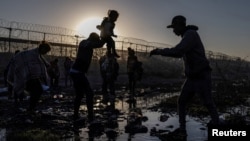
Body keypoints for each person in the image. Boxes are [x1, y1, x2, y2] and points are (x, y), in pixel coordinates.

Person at [150, 15, 220, 137]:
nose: (173, 31)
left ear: (180, 25)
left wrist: (159, 51)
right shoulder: (187, 35)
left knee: (208, 102)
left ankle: (218, 127)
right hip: (192, 77)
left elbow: (178, 51)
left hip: (201, 75)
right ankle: (182, 130)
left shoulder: (190, 35)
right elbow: (179, 53)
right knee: (182, 101)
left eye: (174, 27)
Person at [70, 32, 105, 122]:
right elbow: (97, 44)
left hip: (77, 72)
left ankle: (76, 115)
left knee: (80, 94)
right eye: (95, 40)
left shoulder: (86, 43)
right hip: (77, 72)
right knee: (89, 93)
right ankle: (90, 116)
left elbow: (99, 44)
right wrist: (105, 37)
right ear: (92, 39)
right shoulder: (85, 42)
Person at [7, 41, 51, 112]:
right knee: (37, 91)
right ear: (42, 48)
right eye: (46, 51)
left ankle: (31, 107)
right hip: (28, 77)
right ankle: (30, 107)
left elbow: (42, 65)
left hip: (32, 78)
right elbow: (26, 62)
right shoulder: (32, 54)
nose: (46, 53)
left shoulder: (38, 55)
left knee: (38, 91)